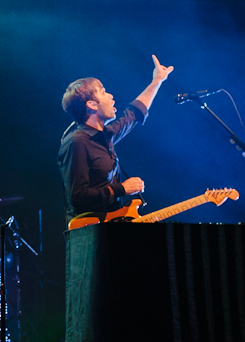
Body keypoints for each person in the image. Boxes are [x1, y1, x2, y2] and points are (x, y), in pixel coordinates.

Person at [57, 55, 173, 225]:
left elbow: (133, 114)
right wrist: (123, 188)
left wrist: (157, 81)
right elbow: (78, 197)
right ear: (92, 105)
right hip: (89, 234)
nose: (110, 96)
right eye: (103, 92)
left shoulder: (106, 135)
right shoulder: (77, 142)